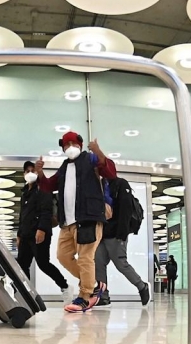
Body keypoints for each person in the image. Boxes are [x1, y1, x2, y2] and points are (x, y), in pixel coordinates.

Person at [35, 131, 116, 313]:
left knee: (86, 258)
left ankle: (85, 297)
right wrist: (40, 173)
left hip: (88, 217)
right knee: (63, 256)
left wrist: (98, 151)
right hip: (67, 222)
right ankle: (95, 284)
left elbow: (110, 171)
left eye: (73, 143)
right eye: (66, 144)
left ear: (80, 145)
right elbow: (48, 186)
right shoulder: (64, 167)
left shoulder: (91, 159)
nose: (70, 147)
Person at [94, 176, 151, 307]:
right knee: (98, 263)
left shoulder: (120, 184)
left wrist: (123, 233)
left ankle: (142, 286)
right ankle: (103, 295)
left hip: (116, 233)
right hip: (102, 232)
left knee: (121, 263)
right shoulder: (99, 185)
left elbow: (125, 210)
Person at [16, 160, 69, 300]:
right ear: (23, 174)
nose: (30, 173)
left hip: (39, 233)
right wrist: (19, 235)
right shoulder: (24, 193)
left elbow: (46, 210)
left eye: (32, 171)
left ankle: (65, 286)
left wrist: (42, 229)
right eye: (27, 171)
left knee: (43, 264)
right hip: (25, 235)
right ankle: (26, 293)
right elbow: (22, 216)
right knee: (22, 264)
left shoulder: (43, 188)